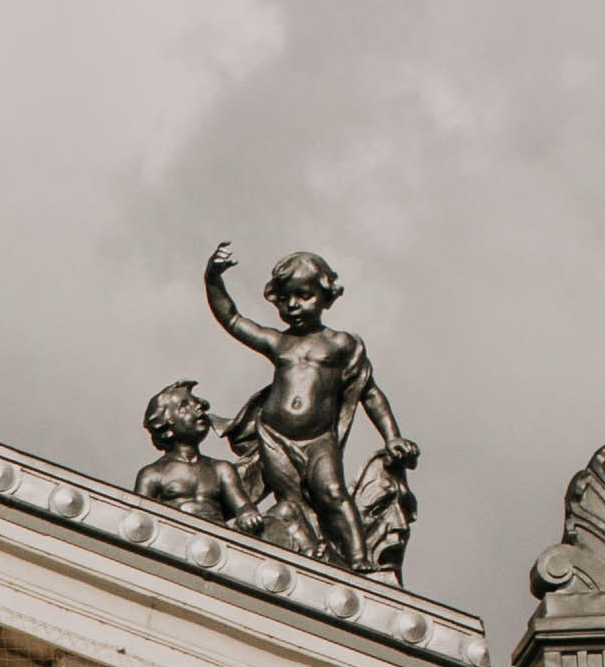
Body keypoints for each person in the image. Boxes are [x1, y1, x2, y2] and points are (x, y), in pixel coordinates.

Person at [202, 240, 417, 576]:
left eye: (305, 296)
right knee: (292, 506)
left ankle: (359, 559)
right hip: (275, 437)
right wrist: (213, 278)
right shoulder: (280, 342)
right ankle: (309, 553)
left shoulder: (341, 344)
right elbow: (231, 319)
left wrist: (393, 437)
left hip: (318, 439)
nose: (294, 305)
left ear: (326, 295)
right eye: (286, 298)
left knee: (333, 492)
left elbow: (370, 394)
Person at [127, 378, 250, 528]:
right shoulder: (152, 474)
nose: (199, 407)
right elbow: (138, 520)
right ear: (165, 426)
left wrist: (247, 514)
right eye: (184, 406)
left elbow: (243, 506)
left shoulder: (221, 469)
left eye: (196, 403)